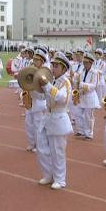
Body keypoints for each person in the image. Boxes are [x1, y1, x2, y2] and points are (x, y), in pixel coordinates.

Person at [36, 51, 73, 189]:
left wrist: (46, 85)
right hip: (48, 117)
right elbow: (43, 97)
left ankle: (60, 179)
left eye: (57, 66)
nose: (53, 68)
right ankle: (48, 175)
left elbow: (62, 98)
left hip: (59, 118)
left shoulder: (66, 83)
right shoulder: (53, 81)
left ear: (63, 68)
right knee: (42, 147)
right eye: (53, 65)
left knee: (57, 151)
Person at [23, 48, 49, 151]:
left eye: (37, 60)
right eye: (34, 59)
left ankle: (39, 145)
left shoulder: (45, 73)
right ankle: (32, 143)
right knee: (28, 123)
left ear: (42, 61)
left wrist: (33, 91)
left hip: (40, 102)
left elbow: (44, 93)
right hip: (30, 101)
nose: (35, 62)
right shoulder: (31, 70)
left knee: (38, 125)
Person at [77, 52, 101, 140]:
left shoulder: (95, 73)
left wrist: (83, 85)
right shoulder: (82, 71)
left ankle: (89, 134)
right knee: (80, 114)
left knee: (89, 117)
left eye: (86, 63)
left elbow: (94, 86)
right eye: (84, 62)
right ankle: (82, 131)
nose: (85, 64)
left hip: (90, 97)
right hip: (82, 96)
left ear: (91, 63)